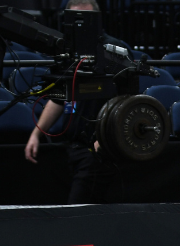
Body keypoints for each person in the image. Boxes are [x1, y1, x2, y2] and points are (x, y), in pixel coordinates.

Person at [23, 0, 120, 204]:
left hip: (97, 150)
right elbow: (59, 99)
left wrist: (106, 137)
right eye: (74, 20)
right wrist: (36, 133)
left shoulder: (115, 52)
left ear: (97, 20)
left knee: (78, 210)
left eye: (85, 19)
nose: (80, 25)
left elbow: (125, 101)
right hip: (70, 148)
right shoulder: (68, 54)